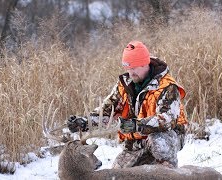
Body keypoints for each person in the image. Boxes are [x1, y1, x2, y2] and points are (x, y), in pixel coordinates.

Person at [66, 40, 188, 169]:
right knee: (117, 173)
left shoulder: (166, 86)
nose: (131, 73)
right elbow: (107, 112)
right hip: (136, 142)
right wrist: (85, 122)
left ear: (145, 63)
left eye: (134, 68)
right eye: (128, 68)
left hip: (166, 138)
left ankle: (168, 172)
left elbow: (167, 120)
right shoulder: (125, 85)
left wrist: (135, 125)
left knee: (158, 142)